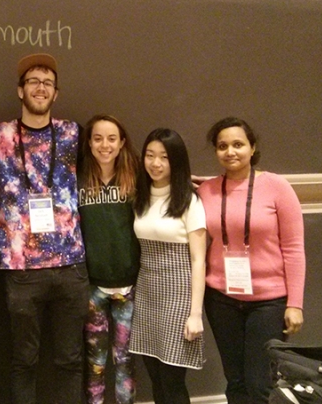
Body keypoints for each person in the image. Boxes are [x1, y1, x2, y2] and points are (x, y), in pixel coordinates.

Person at [0, 53, 88, 404]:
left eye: (47, 83)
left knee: (69, 360)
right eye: (33, 81)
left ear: (56, 93)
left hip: (71, 266)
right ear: (20, 91)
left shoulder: (73, 133)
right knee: (24, 361)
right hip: (21, 271)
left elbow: (114, 164)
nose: (40, 88)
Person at [198, 117, 305, 404]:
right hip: (221, 299)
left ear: (252, 147)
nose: (230, 152)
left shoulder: (277, 187)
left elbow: (294, 248)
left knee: (261, 383)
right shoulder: (206, 190)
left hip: (269, 302)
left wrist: (295, 304)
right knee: (235, 380)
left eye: (238, 144)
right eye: (222, 146)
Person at [129, 128, 206, 404]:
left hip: (178, 295)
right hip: (148, 293)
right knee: (156, 379)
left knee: (173, 382)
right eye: (150, 155)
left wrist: (195, 313)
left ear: (176, 161)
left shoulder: (189, 200)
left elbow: (198, 260)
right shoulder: (140, 195)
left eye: (164, 156)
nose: (156, 163)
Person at [77, 115, 140, 404]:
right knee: (95, 362)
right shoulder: (76, 178)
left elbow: (169, 185)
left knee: (125, 359)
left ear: (122, 142)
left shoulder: (136, 177)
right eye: (98, 138)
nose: (105, 145)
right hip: (93, 287)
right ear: (89, 143)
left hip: (129, 285)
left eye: (112, 138)